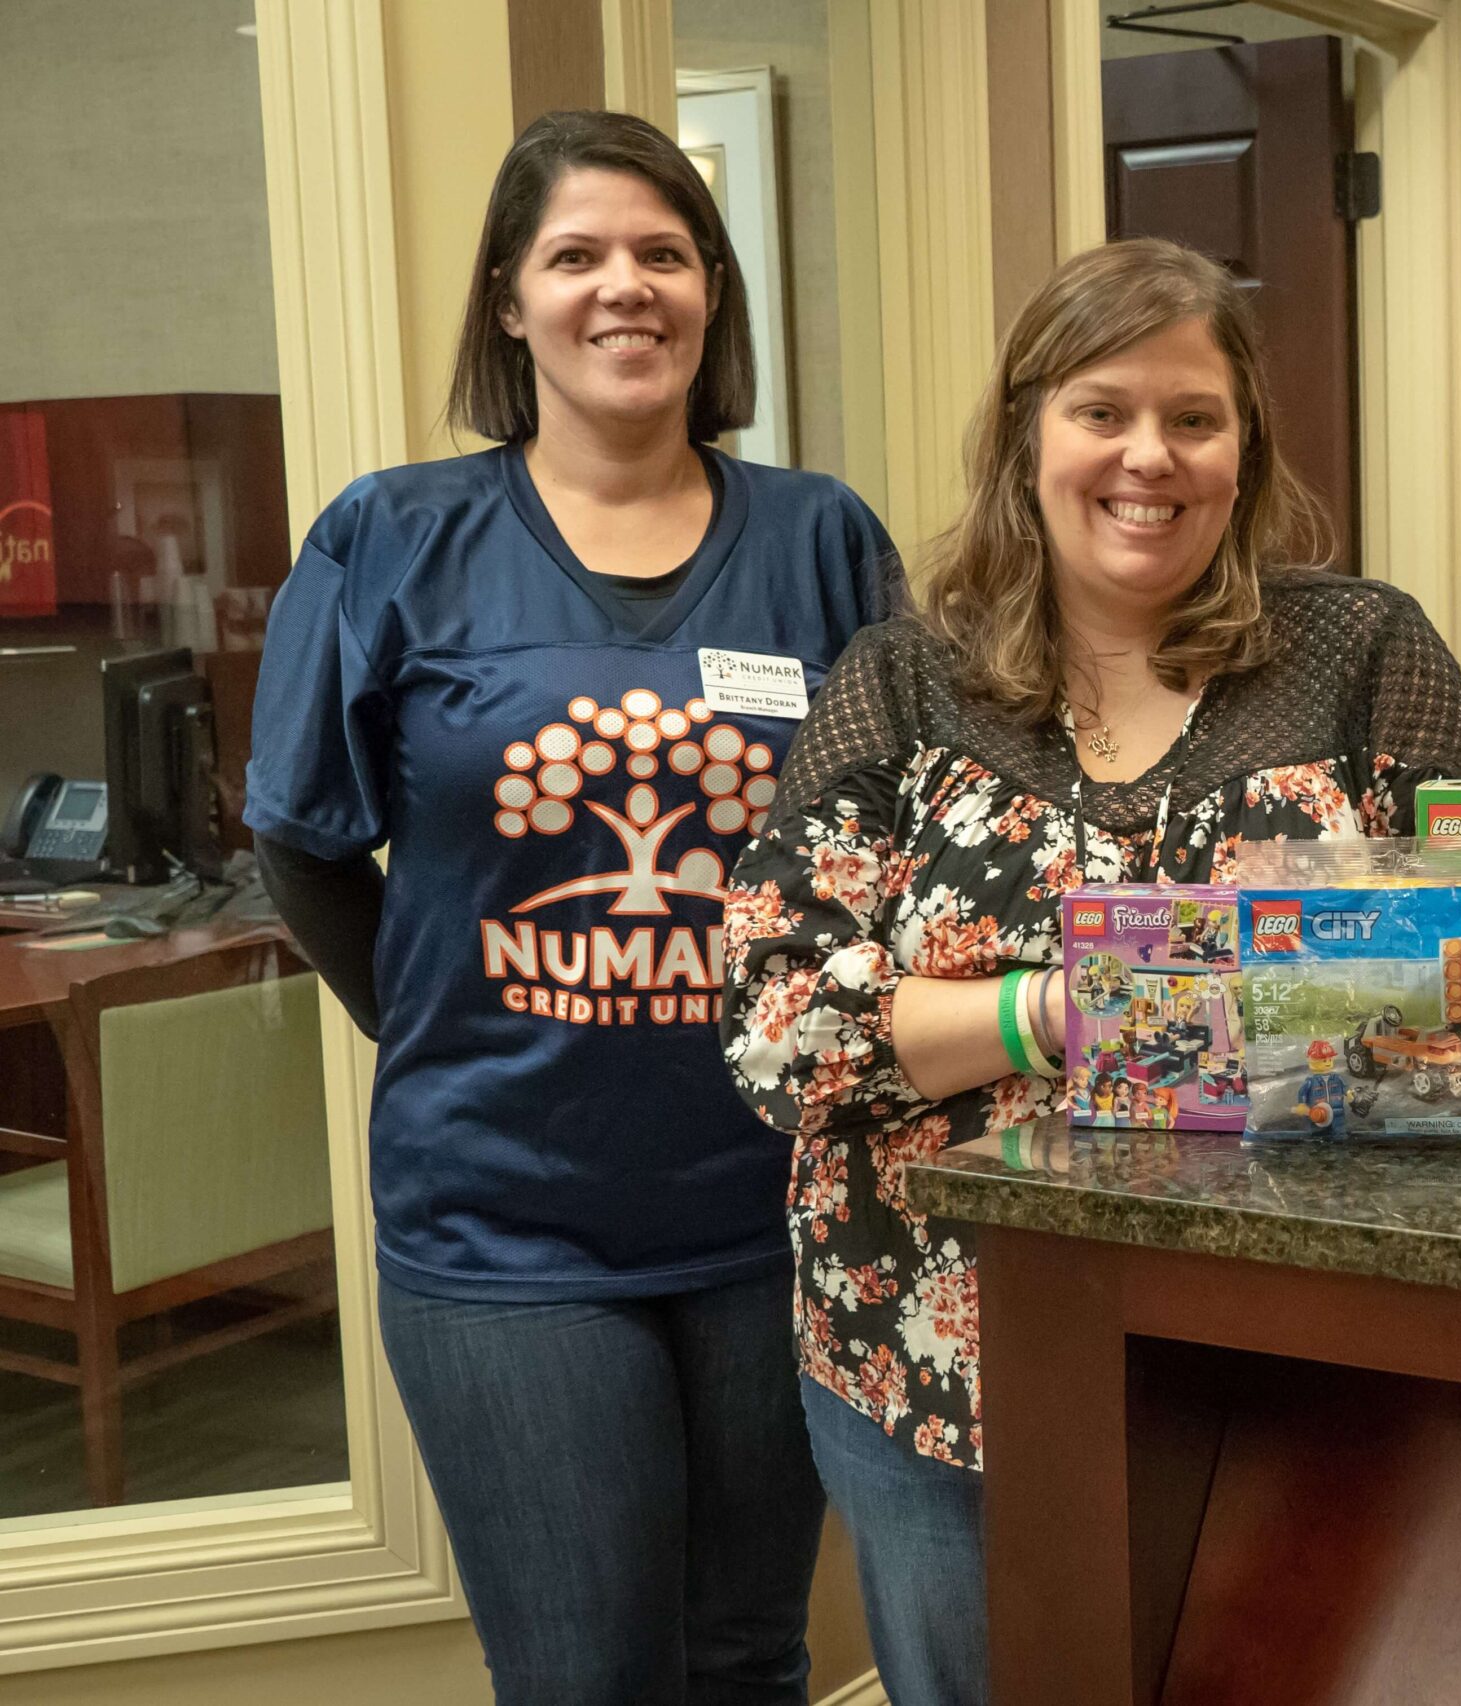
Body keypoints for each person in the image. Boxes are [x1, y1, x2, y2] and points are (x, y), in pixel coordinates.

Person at [719, 237, 1461, 1704]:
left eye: (1193, 417)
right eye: (1103, 411)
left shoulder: (1365, 655)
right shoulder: (897, 681)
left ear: (1246, 446)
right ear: (1027, 433)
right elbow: (774, 1031)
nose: (1150, 456)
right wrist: (1059, 1011)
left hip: (1307, 1367)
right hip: (940, 1373)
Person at [244, 111, 900, 1705]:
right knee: (590, 1673)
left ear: (712, 291)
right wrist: (431, 1015)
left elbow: (894, 850)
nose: (627, 288)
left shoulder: (820, 542)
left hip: (773, 1211)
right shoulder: (396, 537)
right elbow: (300, 834)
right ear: (510, 299)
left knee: (752, 1657)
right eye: (578, 255)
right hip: (506, 1220)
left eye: (665, 253)